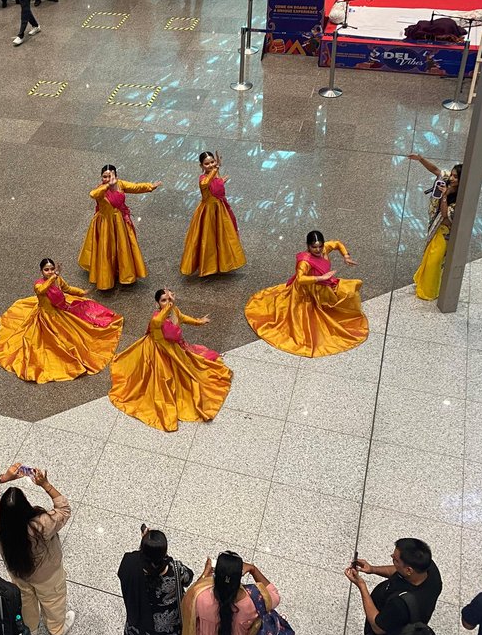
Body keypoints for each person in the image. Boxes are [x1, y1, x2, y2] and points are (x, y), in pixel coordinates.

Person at [109, 288, 232, 432]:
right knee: (161, 380)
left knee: (189, 373)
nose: (167, 302)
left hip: (174, 350)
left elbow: (184, 319)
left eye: (168, 299)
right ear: (157, 303)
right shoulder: (156, 319)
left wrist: (200, 321)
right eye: (163, 300)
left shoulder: (174, 312)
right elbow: (161, 319)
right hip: (157, 352)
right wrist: (171, 305)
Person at [0, 463, 74, 635]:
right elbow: (64, 510)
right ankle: (56, 630)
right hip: (48, 575)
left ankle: (30, 628)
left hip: (18, 572)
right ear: (26, 506)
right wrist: (45, 485)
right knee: (53, 601)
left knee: (25, 599)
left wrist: (4, 477)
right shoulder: (41, 525)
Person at [0, 258, 123, 383]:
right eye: (46, 270)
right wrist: (54, 276)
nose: (49, 272)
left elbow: (67, 289)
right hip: (46, 318)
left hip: (61, 311)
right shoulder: (39, 285)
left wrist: (81, 292)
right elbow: (42, 290)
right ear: (41, 271)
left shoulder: (57, 279)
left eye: (51, 269)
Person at [245, 229, 368, 357]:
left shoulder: (325, 248)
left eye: (320, 246)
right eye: (314, 247)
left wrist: (346, 256)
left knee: (348, 291)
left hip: (323, 285)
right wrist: (321, 278)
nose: (318, 250)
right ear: (308, 246)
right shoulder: (305, 261)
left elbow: (337, 244)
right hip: (308, 291)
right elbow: (300, 279)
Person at [346, 538, 443, 635]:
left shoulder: (400, 605)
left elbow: (378, 627)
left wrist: (362, 586)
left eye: (395, 559)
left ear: (408, 570)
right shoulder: (428, 569)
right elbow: (398, 570)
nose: (391, 556)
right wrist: (373, 569)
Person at [181, 551, 279, 635]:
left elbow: (189, 600)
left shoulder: (200, 598)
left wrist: (205, 575)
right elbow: (274, 594)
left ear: (215, 574)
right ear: (239, 577)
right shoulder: (254, 601)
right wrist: (253, 569)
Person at [114, 527, 193, 635]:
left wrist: (145, 546)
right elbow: (188, 578)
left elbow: (128, 568)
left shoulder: (130, 564)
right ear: (165, 552)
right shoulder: (175, 570)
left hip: (138, 614)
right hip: (168, 621)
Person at [78, 164, 161, 291]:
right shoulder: (101, 189)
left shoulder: (120, 184)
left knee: (122, 247)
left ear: (116, 176)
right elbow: (93, 194)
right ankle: (106, 275)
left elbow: (135, 187)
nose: (107, 178)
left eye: (110, 176)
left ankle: (124, 272)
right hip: (105, 223)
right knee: (106, 248)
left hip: (119, 221)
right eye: (104, 177)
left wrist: (150, 186)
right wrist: (108, 185)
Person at [180, 151, 245, 276]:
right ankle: (208, 265)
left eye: (212, 162)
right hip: (208, 212)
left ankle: (223, 261)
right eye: (207, 164)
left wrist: (221, 180)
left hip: (219, 208)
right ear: (201, 166)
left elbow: (215, 186)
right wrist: (216, 169)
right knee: (208, 238)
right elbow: (207, 183)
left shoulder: (214, 175)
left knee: (223, 236)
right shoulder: (202, 179)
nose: (210, 165)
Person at [409, 154, 461, 301]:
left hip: (445, 232)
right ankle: (422, 281)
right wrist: (420, 159)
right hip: (436, 226)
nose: (451, 178)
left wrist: (445, 196)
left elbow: (445, 215)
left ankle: (429, 291)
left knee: (435, 261)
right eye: (451, 175)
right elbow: (436, 170)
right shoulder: (445, 181)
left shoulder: (460, 197)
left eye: (455, 177)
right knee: (429, 257)